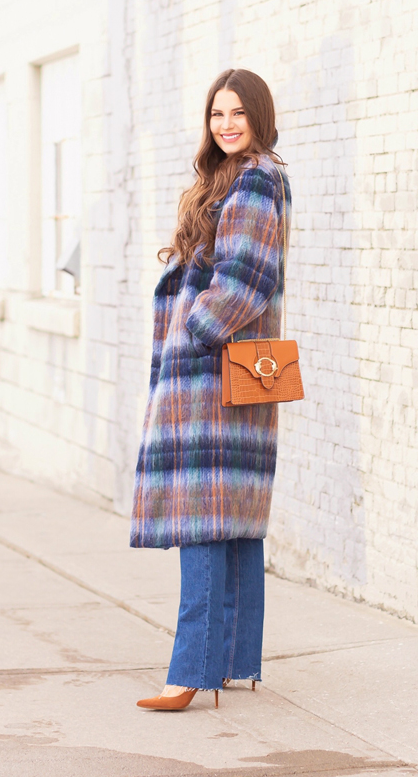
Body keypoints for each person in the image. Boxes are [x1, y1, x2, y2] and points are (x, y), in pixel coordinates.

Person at [130, 68, 291, 711]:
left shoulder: (257, 179)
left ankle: (189, 672)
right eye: (216, 114)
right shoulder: (231, 180)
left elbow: (247, 281)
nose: (225, 124)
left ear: (258, 116)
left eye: (237, 113)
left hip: (215, 375)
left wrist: (191, 332)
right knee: (235, 518)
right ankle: (232, 662)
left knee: (203, 519)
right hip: (237, 371)